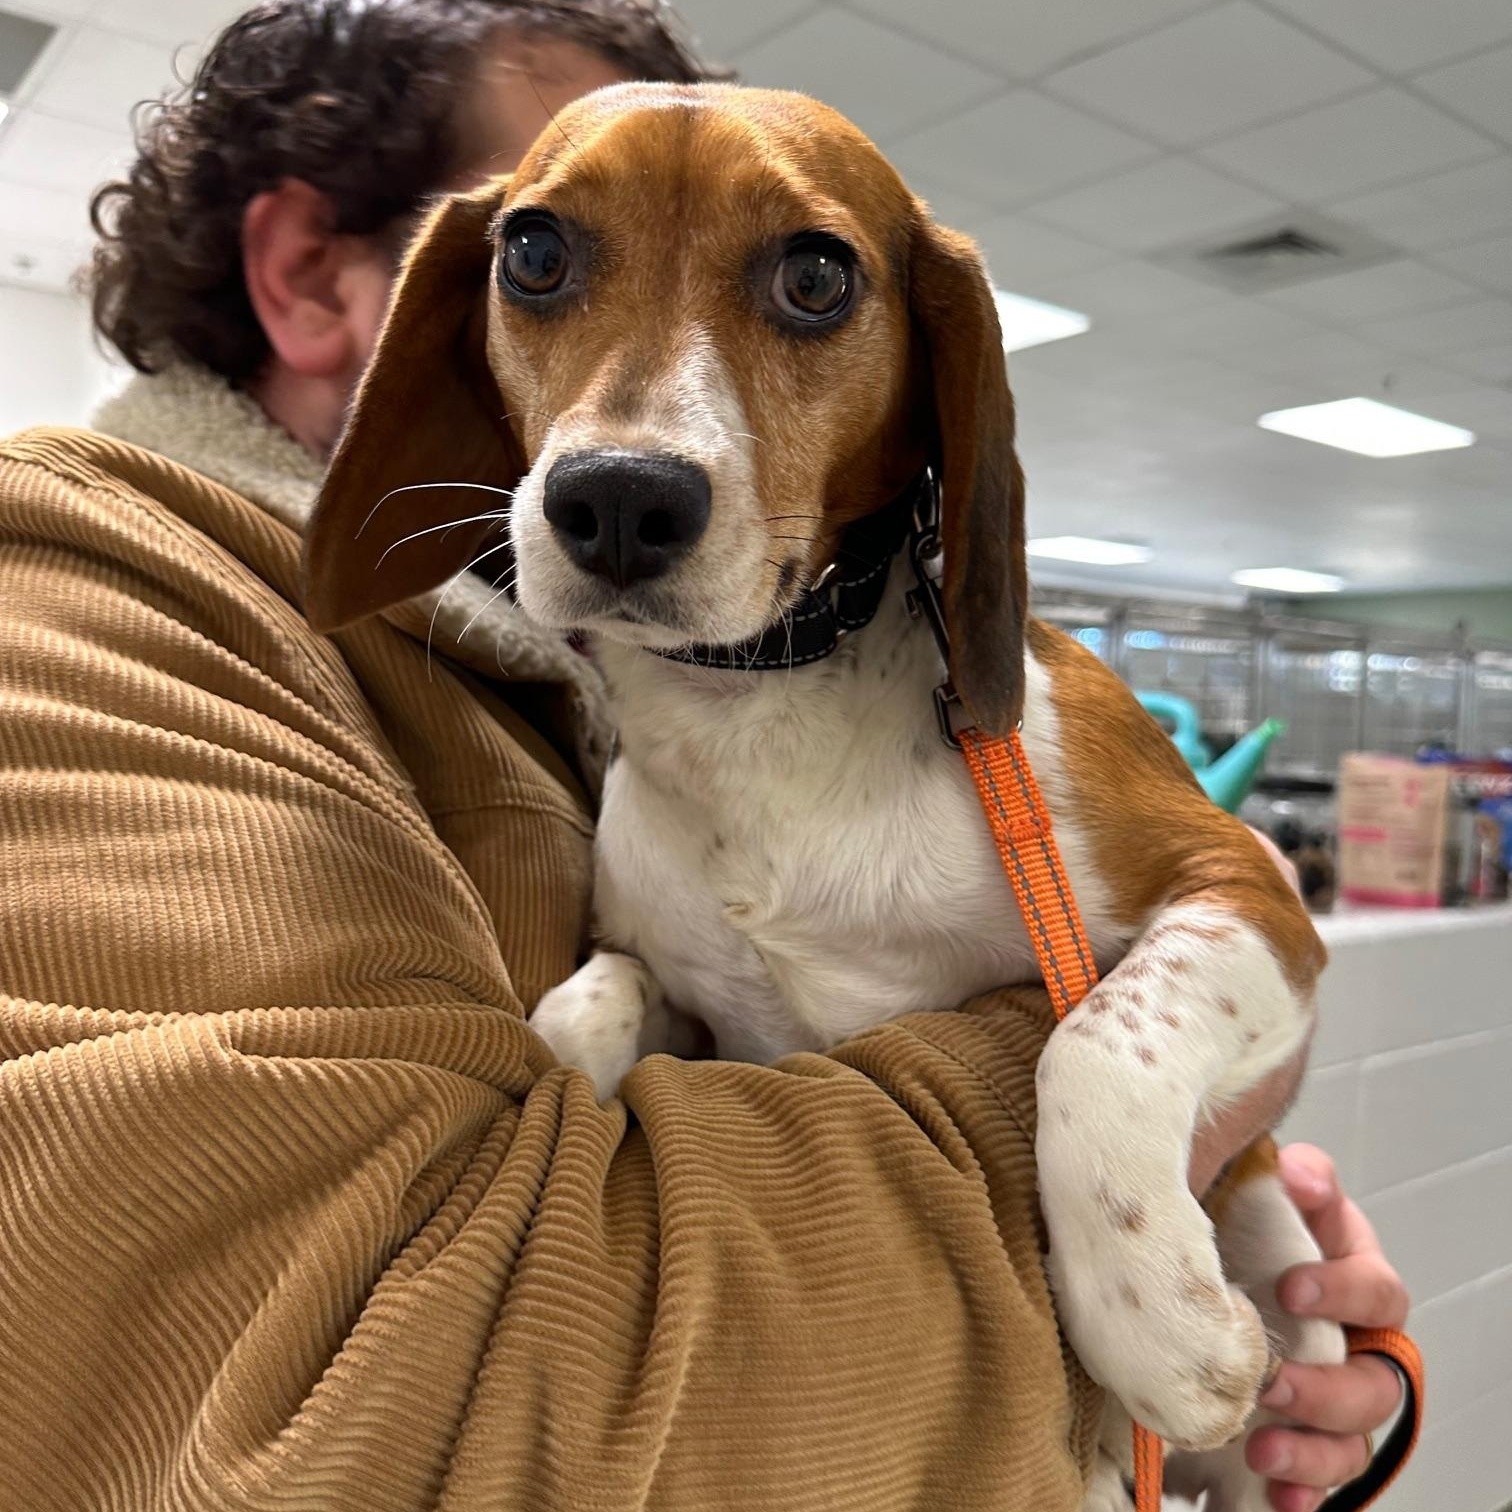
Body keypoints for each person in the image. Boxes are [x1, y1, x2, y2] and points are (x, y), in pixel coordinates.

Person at [0, 4, 1406, 1509]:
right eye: (548, 259)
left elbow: (1239, 932)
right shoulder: (96, 596)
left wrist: (1329, 1403)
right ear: (360, 287)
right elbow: (386, 1413)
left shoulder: (578, 688)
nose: (635, 431)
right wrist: (1088, 1119)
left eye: (804, 278)